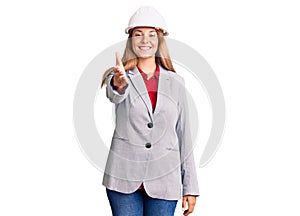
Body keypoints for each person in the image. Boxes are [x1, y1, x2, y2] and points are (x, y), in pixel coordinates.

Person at [100, 6, 200, 216]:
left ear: (160, 39)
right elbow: (115, 94)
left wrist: (190, 186)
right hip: (123, 178)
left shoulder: (176, 83)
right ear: (131, 40)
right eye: (138, 34)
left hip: (165, 180)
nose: (145, 40)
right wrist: (119, 83)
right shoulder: (119, 76)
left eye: (151, 34)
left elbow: (184, 135)